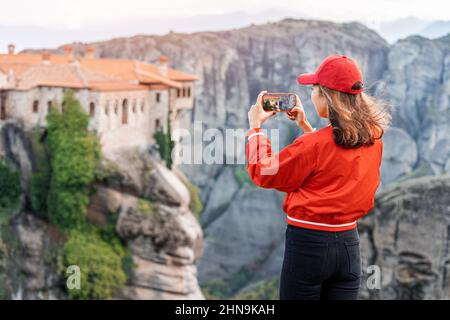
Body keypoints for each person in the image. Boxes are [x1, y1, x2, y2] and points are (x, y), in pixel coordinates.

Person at [245, 54, 391, 300]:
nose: (311, 95)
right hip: (348, 248)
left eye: (314, 88)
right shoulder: (373, 138)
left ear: (327, 96)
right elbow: (335, 158)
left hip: (308, 247)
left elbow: (264, 171)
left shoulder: (313, 145)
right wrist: (306, 127)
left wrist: (255, 129)